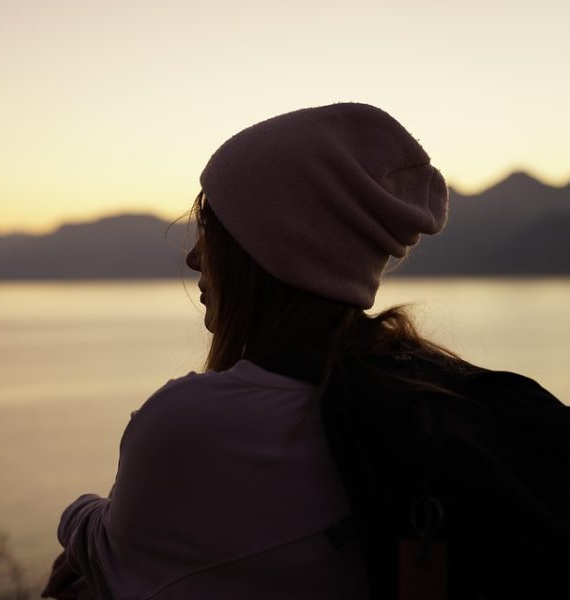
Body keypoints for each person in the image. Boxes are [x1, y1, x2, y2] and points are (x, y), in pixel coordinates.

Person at [42, 103, 568, 599]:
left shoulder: (193, 422)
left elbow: (109, 549)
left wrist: (75, 517)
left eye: (211, 230)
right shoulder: (428, 389)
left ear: (263, 248)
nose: (194, 257)